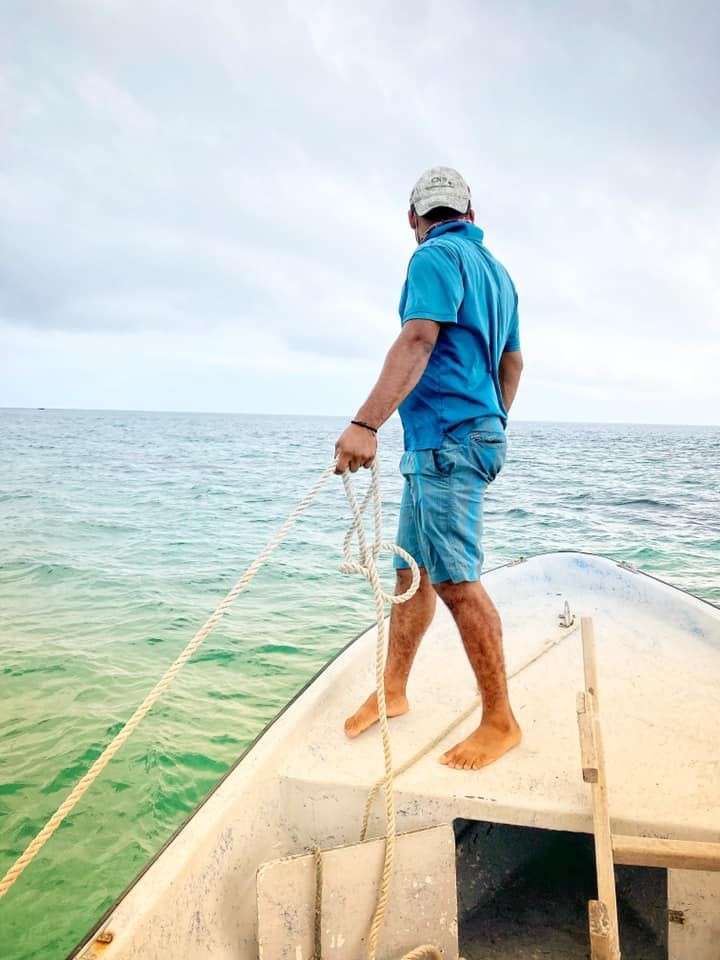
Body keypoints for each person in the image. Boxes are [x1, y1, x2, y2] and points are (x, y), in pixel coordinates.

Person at [334, 167, 524, 771]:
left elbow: (418, 339)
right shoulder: (498, 274)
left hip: (447, 439)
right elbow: (513, 364)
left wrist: (365, 424)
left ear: (414, 219)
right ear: (470, 211)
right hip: (454, 438)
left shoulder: (432, 259)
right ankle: (393, 690)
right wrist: (490, 424)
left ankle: (501, 720)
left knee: (456, 583)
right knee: (410, 570)